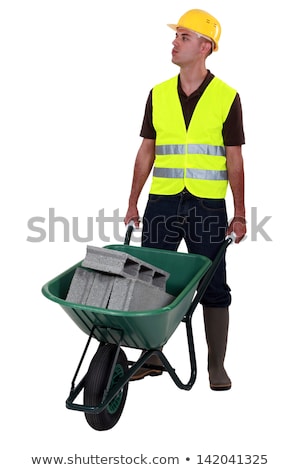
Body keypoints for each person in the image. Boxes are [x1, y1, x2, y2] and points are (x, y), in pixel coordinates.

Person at [124, 9, 246, 390]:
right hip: (162, 202)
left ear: (205, 46)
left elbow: (234, 159)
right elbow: (147, 151)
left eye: (184, 36)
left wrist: (240, 214)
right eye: (177, 35)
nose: (174, 42)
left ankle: (216, 366)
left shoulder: (227, 97)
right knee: (149, 282)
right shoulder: (158, 94)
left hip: (207, 206)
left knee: (213, 286)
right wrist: (132, 202)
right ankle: (152, 359)